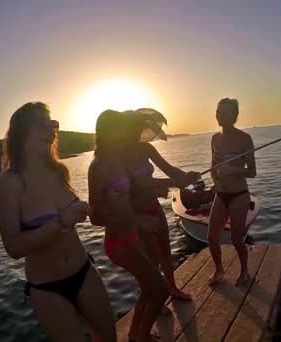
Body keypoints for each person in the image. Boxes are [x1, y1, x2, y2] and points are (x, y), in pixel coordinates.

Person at [0, 102, 116, 342]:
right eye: (42, 124)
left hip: (84, 270)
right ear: (22, 133)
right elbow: (14, 248)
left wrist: (84, 210)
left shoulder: (59, 171)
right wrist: (61, 221)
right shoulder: (8, 184)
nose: (51, 129)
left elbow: (74, 216)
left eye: (53, 124)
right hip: (47, 287)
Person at [88, 110, 168, 342]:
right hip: (119, 242)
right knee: (160, 289)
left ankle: (135, 335)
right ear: (107, 132)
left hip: (133, 236)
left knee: (149, 287)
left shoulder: (117, 161)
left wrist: (160, 188)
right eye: (120, 129)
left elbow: (129, 195)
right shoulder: (99, 166)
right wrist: (138, 220)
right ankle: (141, 337)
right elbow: (95, 217)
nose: (125, 134)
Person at [122, 109, 200, 301]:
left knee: (165, 249)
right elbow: (139, 183)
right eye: (132, 128)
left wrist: (186, 176)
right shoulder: (118, 156)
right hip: (136, 213)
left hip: (153, 205)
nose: (136, 132)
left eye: (138, 128)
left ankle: (172, 288)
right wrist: (173, 182)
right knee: (150, 260)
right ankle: (153, 299)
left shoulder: (146, 149)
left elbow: (169, 169)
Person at [208, 98, 257, 286]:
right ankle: (219, 270)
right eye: (218, 111)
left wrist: (234, 170)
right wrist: (215, 181)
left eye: (224, 112)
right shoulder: (214, 138)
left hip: (239, 194)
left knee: (236, 238)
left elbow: (252, 171)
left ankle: (244, 270)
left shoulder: (245, 139)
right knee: (211, 238)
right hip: (221, 194)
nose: (219, 115)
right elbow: (213, 166)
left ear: (234, 116)